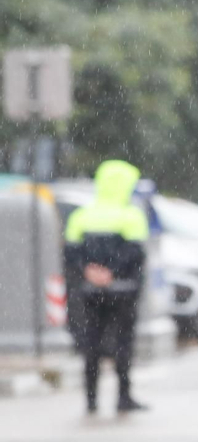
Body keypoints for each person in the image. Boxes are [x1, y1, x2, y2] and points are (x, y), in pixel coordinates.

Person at [63, 159, 149, 415]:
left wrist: (90, 272)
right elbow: (135, 254)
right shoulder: (131, 215)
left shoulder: (81, 215)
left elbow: (71, 253)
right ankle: (123, 396)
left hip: (90, 293)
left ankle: (91, 400)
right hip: (123, 291)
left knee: (91, 344)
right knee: (123, 343)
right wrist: (112, 273)